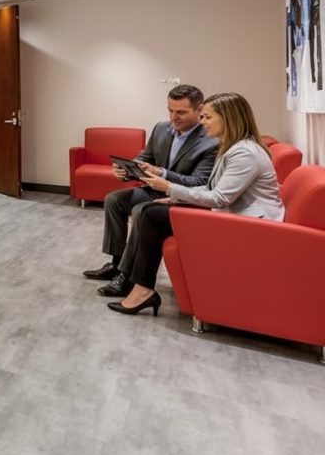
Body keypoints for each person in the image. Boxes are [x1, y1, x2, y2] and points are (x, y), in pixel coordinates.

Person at [108, 92, 284, 316]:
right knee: (150, 210)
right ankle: (138, 284)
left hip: (250, 227)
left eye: (208, 117)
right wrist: (174, 196)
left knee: (151, 214)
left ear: (229, 118)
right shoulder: (233, 147)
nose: (203, 123)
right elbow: (213, 190)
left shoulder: (244, 153)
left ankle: (141, 288)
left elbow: (219, 198)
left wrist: (170, 188)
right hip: (233, 215)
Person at [82, 85, 218, 297]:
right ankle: (116, 263)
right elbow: (144, 158)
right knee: (114, 200)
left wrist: (162, 173)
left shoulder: (211, 141)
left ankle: (126, 276)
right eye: (170, 110)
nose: (174, 117)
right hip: (155, 191)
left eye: (181, 112)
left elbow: (198, 181)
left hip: (181, 197)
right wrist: (127, 170)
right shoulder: (161, 128)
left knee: (140, 211)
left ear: (199, 109)